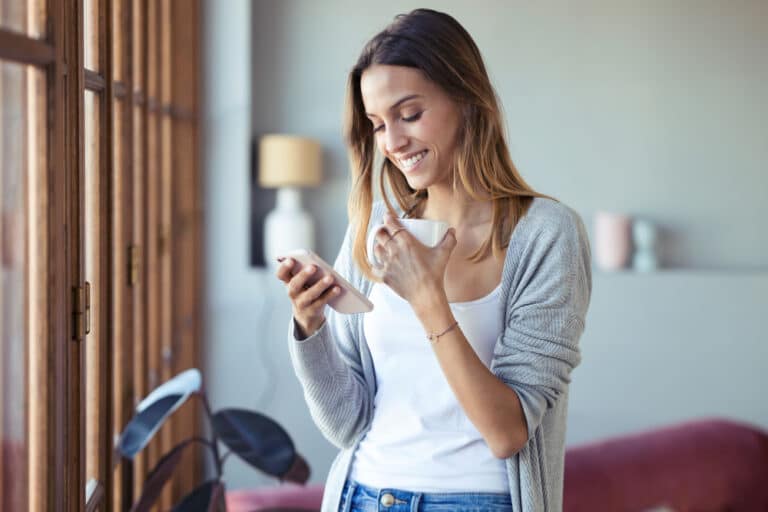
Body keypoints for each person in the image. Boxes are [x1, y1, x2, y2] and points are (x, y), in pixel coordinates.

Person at [275, 8, 592, 512]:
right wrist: (310, 329)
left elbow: (507, 433)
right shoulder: (374, 228)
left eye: (410, 114)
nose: (393, 143)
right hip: (362, 495)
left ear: (467, 98)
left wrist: (428, 298)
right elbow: (347, 423)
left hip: (478, 499)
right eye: (378, 125)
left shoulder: (547, 235)